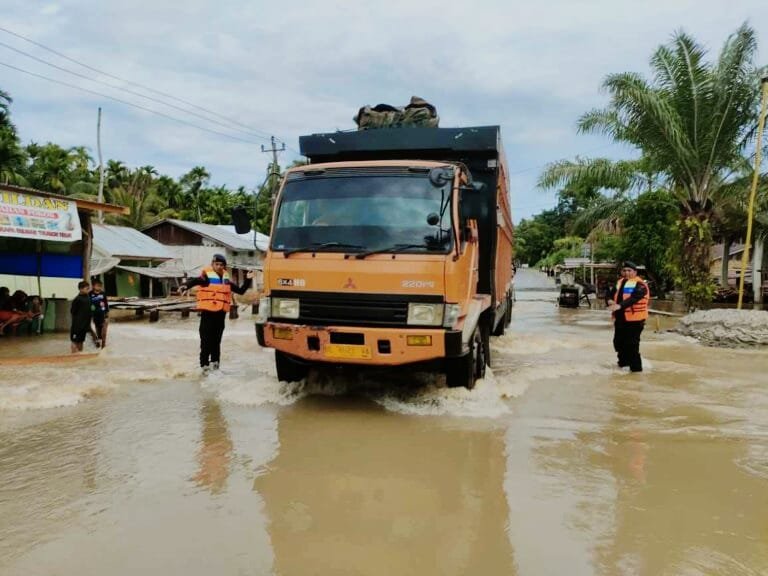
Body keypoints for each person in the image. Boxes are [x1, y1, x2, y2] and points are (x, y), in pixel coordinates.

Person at [178, 254, 253, 374]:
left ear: (224, 266)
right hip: (207, 316)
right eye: (216, 264)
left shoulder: (226, 281)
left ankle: (216, 369)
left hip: (220, 317)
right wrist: (184, 286)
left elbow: (241, 291)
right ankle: (204, 368)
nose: (218, 266)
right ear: (212, 264)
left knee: (216, 343)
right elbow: (194, 281)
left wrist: (248, 279)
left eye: (221, 265)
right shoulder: (206, 277)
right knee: (205, 343)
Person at [606, 261, 650, 372]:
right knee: (618, 343)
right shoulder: (619, 282)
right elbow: (609, 294)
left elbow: (634, 298)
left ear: (635, 272)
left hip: (635, 320)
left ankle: (636, 371)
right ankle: (623, 367)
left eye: (629, 270)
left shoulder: (640, 285)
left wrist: (619, 306)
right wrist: (609, 300)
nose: (626, 273)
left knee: (632, 346)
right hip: (620, 319)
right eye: (624, 270)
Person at [71, 280, 93, 353]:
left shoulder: (88, 297)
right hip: (77, 325)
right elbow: (72, 312)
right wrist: (77, 321)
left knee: (81, 341)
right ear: (80, 289)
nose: (88, 290)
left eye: (88, 288)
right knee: (74, 341)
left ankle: (80, 355)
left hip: (85, 325)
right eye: (86, 288)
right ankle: (73, 356)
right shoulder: (77, 299)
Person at [89, 279, 109, 348]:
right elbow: (88, 304)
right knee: (98, 330)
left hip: (103, 314)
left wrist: (107, 314)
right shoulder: (90, 294)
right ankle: (98, 342)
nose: (99, 287)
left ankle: (103, 345)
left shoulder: (103, 294)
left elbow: (106, 304)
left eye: (100, 286)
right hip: (95, 315)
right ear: (93, 286)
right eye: (97, 286)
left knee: (104, 330)